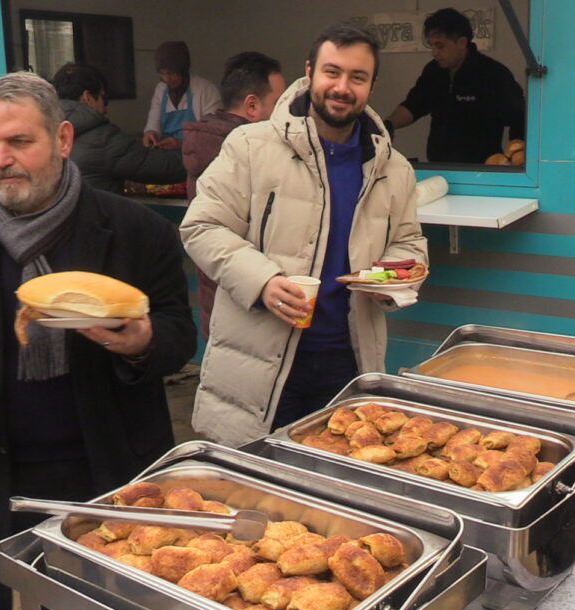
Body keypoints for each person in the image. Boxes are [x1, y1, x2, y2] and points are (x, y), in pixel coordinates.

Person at [0, 72, 196, 610]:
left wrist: (143, 343)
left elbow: (180, 333)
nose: (0, 159)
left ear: (62, 139)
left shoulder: (135, 229)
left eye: (19, 142)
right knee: (33, 609)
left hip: (108, 461)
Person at [181, 22, 428, 447]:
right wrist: (262, 281)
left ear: (371, 86)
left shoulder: (393, 168)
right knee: (257, 475)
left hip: (348, 362)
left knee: (339, 476)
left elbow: (409, 243)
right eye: (332, 72)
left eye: (358, 77)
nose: (342, 87)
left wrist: (389, 277)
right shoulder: (250, 146)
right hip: (261, 362)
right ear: (310, 72)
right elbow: (202, 226)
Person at [183, 51, 285, 339]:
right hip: (244, 306)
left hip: (226, 301)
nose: (286, 114)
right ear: (251, 105)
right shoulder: (240, 154)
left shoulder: (207, 140)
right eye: (279, 103)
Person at [384, 8, 525, 163]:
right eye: (431, 45)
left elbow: (520, 116)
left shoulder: (493, 74)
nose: (433, 52)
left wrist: (517, 157)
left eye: (440, 46)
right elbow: (414, 105)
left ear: (462, 43)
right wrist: (387, 125)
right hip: (439, 167)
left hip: (482, 170)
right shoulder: (433, 71)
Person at [52, 62, 185, 194]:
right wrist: (193, 150)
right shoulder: (101, 139)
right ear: (88, 98)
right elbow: (164, 167)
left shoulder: (45, 133)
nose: (105, 109)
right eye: (104, 99)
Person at [142, 41, 221, 150]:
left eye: (171, 73)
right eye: (162, 73)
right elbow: (153, 123)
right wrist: (151, 133)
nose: (167, 79)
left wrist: (182, 143)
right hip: (168, 153)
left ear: (182, 70)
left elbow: (214, 135)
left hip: (198, 154)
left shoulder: (206, 90)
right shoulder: (160, 89)